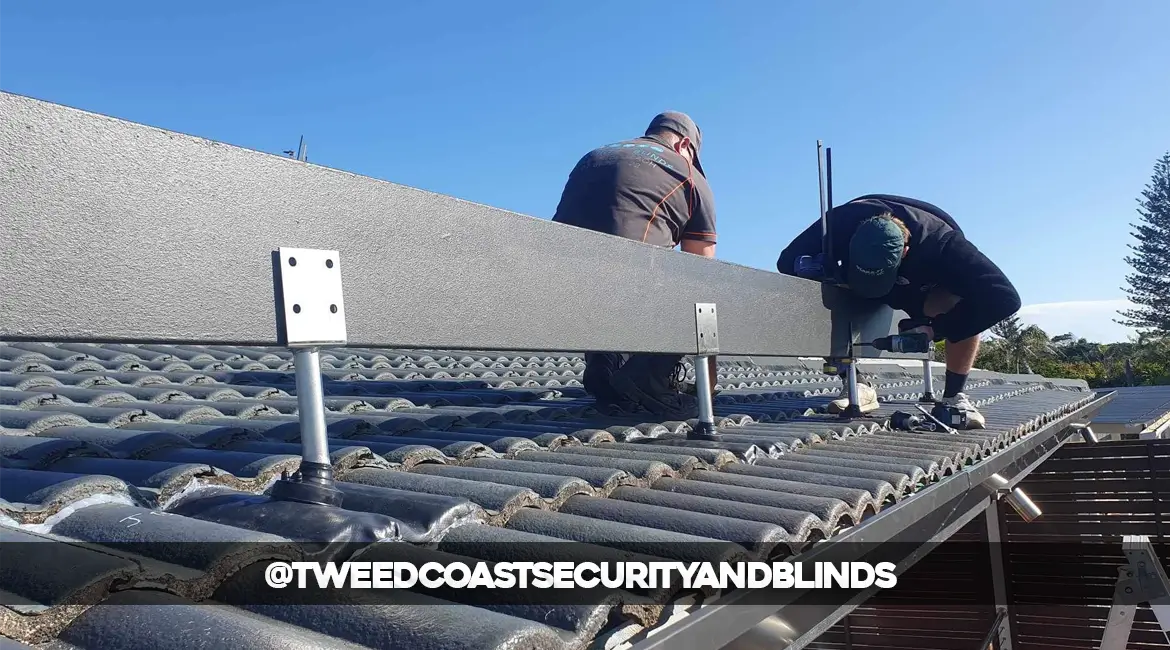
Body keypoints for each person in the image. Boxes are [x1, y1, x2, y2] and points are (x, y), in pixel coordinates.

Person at [775, 194, 1021, 429]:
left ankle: (954, 397)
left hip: (921, 282)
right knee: (816, 291)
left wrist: (936, 328)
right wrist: (822, 268)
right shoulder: (838, 224)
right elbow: (786, 261)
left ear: (904, 251)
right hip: (850, 280)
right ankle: (855, 381)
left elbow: (1004, 298)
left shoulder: (944, 245)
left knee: (958, 300)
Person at [551, 111, 717, 419]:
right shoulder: (689, 174)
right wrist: (708, 385)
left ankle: (604, 366)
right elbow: (703, 273)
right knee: (704, 284)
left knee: (604, 272)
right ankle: (650, 381)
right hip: (631, 292)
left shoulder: (594, 156)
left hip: (560, 290)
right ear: (684, 145)